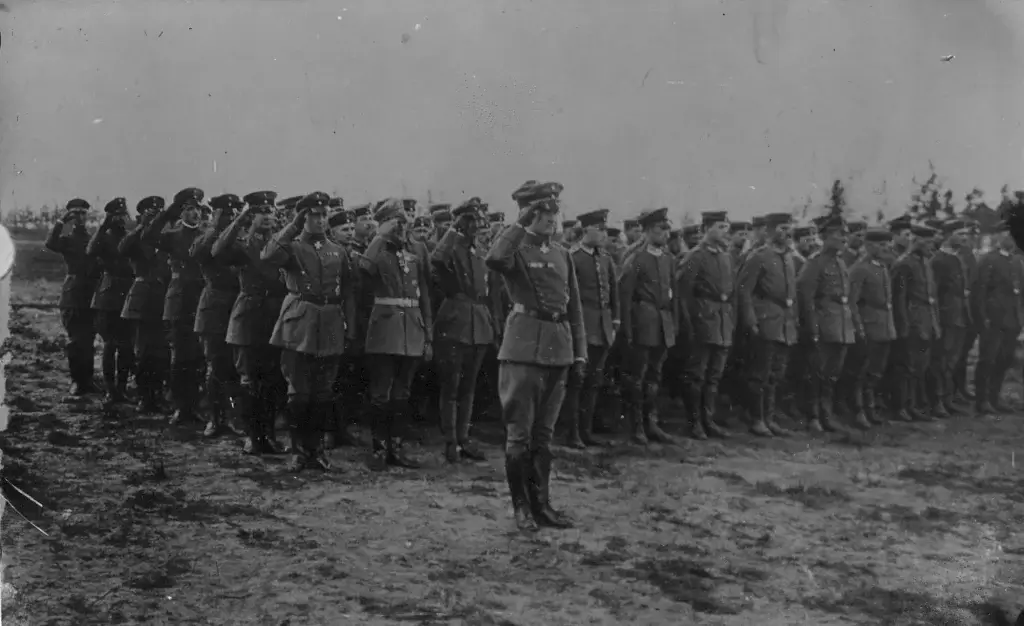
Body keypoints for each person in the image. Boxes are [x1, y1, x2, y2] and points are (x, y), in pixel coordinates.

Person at [486, 180, 583, 531]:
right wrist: (519, 224)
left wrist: (580, 353)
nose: (551, 219)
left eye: (553, 212)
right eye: (543, 212)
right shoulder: (516, 249)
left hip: (559, 350)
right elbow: (495, 258)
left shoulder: (562, 254)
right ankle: (521, 508)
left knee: (544, 437)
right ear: (529, 212)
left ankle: (542, 504)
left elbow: (574, 309)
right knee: (520, 436)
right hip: (523, 350)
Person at [261, 191, 357, 472]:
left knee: (323, 392)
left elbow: (348, 291)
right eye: (313, 215)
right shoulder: (292, 246)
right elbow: (267, 255)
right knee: (299, 392)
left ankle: (316, 450)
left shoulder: (337, 250)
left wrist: (349, 327)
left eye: (324, 215)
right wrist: (292, 226)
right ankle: (298, 450)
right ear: (303, 217)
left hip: (329, 322)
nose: (320, 220)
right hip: (299, 323)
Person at [359, 198, 434, 470]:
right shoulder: (377, 248)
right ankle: (379, 450)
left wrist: (428, 335)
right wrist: (381, 235)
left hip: (412, 327)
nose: (403, 227)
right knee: (381, 392)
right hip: (385, 328)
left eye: (404, 222)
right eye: (396, 222)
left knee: (402, 392)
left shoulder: (418, 249)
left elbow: (425, 292)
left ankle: (397, 447)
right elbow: (364, 268)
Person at [212, 191, 289, 455]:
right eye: (260, 213)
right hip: (249, 316)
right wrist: (239, 220)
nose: (267, 217)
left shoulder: (281, 244)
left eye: (270, 212)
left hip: (276, 315)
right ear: (250, 217)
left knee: (274, 379)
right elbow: (218, 250)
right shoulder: (243, 244)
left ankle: (269, 433)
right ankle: (253, 436)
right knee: (250, 380)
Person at [430, 198, 495, 462]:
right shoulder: (450, 249)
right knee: (451, 386)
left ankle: (463, 438)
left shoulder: (479, 252)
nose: (478, 228)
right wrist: (453, 229)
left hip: (478, 323)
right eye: (472, 222)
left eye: (479, 223)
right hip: (454, 321)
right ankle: (450, 442)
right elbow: (436, 259)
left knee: (469, 386)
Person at [143, 188, 207, 424]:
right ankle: (181, 407)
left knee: (199, 356)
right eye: (189, 209)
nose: (194, 213)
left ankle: (194, 404)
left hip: (201, 298)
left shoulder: (206, 233)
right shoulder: (172, 234)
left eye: (197, 209)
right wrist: (166, 214)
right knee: (180, 356)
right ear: (181, 213)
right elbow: (148, 237)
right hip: (180, 300)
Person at [736, 213, 800, 436]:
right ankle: (756, 419)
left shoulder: (789, 257)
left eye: (789, 228)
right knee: (760, 373)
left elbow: (793, 293)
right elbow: (744, 291)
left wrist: (794, 320)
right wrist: (751, 321)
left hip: (785, 323)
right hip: (766, 321)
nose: (787, 232)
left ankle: (769, 418)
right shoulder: (759, 256)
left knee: (776, 374)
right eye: (782, 228)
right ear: (771, 230)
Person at [618, 207, 678, 445]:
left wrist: (675, 324)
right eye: (659, 229)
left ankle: (651, 422)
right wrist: (628, 329)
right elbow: (625, 296)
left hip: (663, 324)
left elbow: (674, 296)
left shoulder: (668, 259)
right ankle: (637, 426)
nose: (665, 234)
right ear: (646, 232)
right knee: (637, 377)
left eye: (666, 229)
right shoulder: (636, 259)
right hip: (643, 323)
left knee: (655, 375)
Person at [560, 208, 619, 448]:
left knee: (594, 381)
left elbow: (614, 294)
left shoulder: (605, 259)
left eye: (606, 229)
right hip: (581, 327)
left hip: (602, 328)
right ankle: (571, 433)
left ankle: (586, 431)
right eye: (600, 229)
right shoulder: (572, 258)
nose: (604, 234)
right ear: (586, 230)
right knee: (576, 381)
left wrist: (614, 323)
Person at [677, 211, 735, 439]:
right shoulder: (695, 256)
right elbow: (683, 294)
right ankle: (694, 422)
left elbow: (731, 294)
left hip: (722, 323)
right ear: (706, 229)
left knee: (714, 376)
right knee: (696, 375)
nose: (724, 232)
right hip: (703, 321)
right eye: (720, 227)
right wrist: (690, 325)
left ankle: (708, 419)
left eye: (726, 227)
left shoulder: (725, 257)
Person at [190, 194, 244, 437]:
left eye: (233, 214)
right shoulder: (205, 238)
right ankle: (214, 418)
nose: (230, 218)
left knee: (234, 369)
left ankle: (231, 417)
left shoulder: (239, 239)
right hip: (214, 311)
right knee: (217, 367)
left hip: (237, 308)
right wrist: (214, 226)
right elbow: (199, 253)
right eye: (225, 214)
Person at [797, 216, 857, 432]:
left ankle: (827, 413)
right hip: (823, 325)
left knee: (833, 374)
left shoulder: (840, 262)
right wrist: (812, 328)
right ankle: (813, 416)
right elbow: (806, 297)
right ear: (824, 237)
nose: (844, 238)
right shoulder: (815, 262)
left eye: (845, 234)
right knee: (816, 373)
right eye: (838, 234)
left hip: (840, 325)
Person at [118, 196, 171, 413]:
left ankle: (157, 392)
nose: (155, 216)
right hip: (142, 300)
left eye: (159, 212)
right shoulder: (137, 238)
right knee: (144, 351)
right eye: (151, 213)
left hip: (163, 299)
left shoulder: (165, 239)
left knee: (161, 351)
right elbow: (123, 248)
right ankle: (144, 395)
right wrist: (141, 226)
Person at [45, 198, 99, 398]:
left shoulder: (93, 238)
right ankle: (77, 381)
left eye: (84, 213)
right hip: (74, 294)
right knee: (76, 340)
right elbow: (50, 243)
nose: (81, 218)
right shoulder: (67, 240)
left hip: (90, 294)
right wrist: (61, 221)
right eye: (77, 214)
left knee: (89, 338)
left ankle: (88, 381)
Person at [970, 220, 1024, 415]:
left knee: (1004, 359)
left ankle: (995, 397)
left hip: (1012, 320)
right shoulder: (988, 260)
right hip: (993, 320)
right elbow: (979, 292)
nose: (1010, 239)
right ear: (998, 236)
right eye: (1006, 234)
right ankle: (982, 400)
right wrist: (983, 318)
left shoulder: (1017, 261)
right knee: (988, 359)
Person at [86, 197, 136, 406]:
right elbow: (90, 250)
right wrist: (103, 225)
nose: (121, 219)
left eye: (123, 215)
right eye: (116, 216)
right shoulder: (104, 238)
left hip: (127, 294)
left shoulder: (130, 237)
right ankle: (110, 388)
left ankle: (122, 388)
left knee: (126, 346)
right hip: (107, 297)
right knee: (109, 345)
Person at [847, 228, 897, 428]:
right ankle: (858, 411)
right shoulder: (860, 269)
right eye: (881, 245)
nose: (886, 249)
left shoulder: (882, 267)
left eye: (887, 245)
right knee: (861, 372)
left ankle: (871, 408)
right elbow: (852, 302)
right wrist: (859, 329)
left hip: (884, 327)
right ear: (868, 246)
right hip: (868, 327)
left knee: (876, 372)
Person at [891, 224, 941, 422]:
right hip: (912, 322)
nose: (931, 245)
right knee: (906, 367)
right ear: (916, 241)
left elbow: (931, 296)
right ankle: (901, 406)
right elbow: (899, 299)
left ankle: (913, 405)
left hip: (926, 321)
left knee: (920, 366)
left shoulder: (925, 263)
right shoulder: (904, 264)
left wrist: (934, 324)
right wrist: (904, 326)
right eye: (927, 241)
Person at [928, 219, 972, 417]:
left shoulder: (957, 258)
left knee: (952, 361)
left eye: (966, 234)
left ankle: (947, 399)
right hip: (946, 318)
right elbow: (934, 293)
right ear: (948, 235)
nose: (965, 238)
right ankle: (936, 401)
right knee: (941, 361)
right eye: (961, 234)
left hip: (959, 317)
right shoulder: (938, 260)